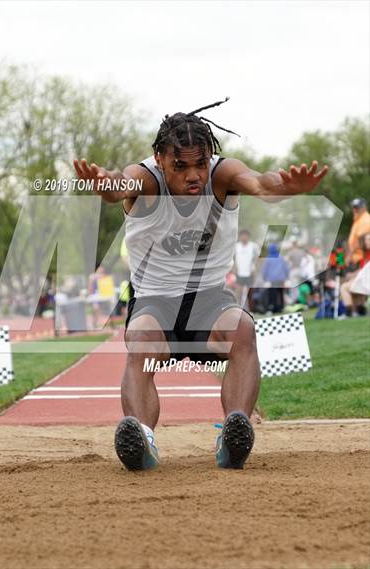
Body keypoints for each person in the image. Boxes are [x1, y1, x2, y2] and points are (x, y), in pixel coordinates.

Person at [73, 97, 328, 471]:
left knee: (242, 329)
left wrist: (284, 186)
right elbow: (118, 186)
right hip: (154, 301)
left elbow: (260, 183)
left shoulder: (222, 175)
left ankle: (233, 434)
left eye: (200, 164)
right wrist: (103, 184)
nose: (194, 175)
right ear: (160, 160)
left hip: (208, 300)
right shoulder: (146, 179)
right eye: (180, 166)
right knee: (141, 340)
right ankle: (142, 438)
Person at [234, 229, 259, 310]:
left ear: (248, 237)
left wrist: (254, 269)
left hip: (250, 272)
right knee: (239, 292)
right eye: (242, 235)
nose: (244, 237)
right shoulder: (236, 246)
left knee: (249, 293)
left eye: (245, 235)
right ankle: (239, 308)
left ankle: (249, 309)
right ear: (240, 237)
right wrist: (235, 268)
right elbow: (234, 258)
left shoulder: (253, 246)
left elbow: (257, 259)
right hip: (239, 272)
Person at [261, 244, 290, 314]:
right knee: (280, 293)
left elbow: (265, 270)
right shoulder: (281, 257)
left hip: (272, 279)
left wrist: (264, 278)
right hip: (281, 278)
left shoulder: (268, 258)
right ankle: (281, 307)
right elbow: (285, 268)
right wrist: (287, 276)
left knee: (273, 294)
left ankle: (274, 307)